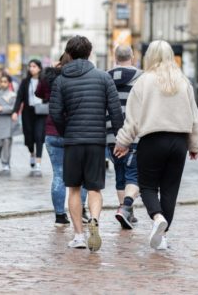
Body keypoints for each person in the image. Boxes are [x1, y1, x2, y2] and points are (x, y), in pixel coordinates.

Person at [114, 40, 198, 250]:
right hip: (179, 142)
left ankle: (156, 217)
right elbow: (194, 117)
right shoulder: (183, 82)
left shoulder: (144, 81)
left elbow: (133, 119)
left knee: (147, 186)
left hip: (152, 140)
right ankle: (162, 237)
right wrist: (195, 145)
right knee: (170, 190)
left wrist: (123, 142)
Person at [50, 36, 123, 251]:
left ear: (69, 54)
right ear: (90, 53)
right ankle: (94, 219)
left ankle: (79, 236)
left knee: (73, 188)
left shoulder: (61, 80)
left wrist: (66, 131)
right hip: (96, 142)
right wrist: (118, 137)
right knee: (94, 188)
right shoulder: (103, 78)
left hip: (73, 141)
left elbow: (55, 112)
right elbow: (115, 112)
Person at [36, 53, 88, 227]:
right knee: (81, 176)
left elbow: (39, 94)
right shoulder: (77, 77)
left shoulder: (49, 77)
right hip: (73, 131)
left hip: (52, 131)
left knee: (58, 174)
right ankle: (81, 211)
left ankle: (60, 215)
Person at [106, 46, 143, 230]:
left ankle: (125, 211)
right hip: (134, 135)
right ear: (132, 57)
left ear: (115, 57)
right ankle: (126, 209)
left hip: (111, 135)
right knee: (134, 174)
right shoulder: (142, 78)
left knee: (120, 174)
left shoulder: (105, 77)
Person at [13, 60, 47, 177]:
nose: (32, 68)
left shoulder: (44, 81)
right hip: (28, 112)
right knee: (29, 137)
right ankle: (32, 153)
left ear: (39, 68)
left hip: (41, 112)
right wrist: (15, 111)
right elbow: (19, 98)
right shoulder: (25, 82)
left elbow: (49, 96)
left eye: (34, 66)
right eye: (30, 66)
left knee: (39, 136)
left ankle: (38, 163)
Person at [0, 75, 17, 175]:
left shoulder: (12, 95)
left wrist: (3, 109)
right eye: (1, 81)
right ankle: (1, 154)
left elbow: (13, 108)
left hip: (8, 121)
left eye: (5, 81)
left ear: (9, 83)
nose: (3, 83)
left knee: (7, 142)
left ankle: (5, 162)